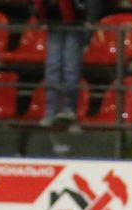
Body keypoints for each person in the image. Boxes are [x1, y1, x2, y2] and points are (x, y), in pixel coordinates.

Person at [37, 0, 101, 128]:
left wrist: (90, 21)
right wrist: (40, 17)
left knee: (71, 68)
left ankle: (69, 109)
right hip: (53, 23)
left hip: (76, 25)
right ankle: (51, 110)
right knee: (53, 67)